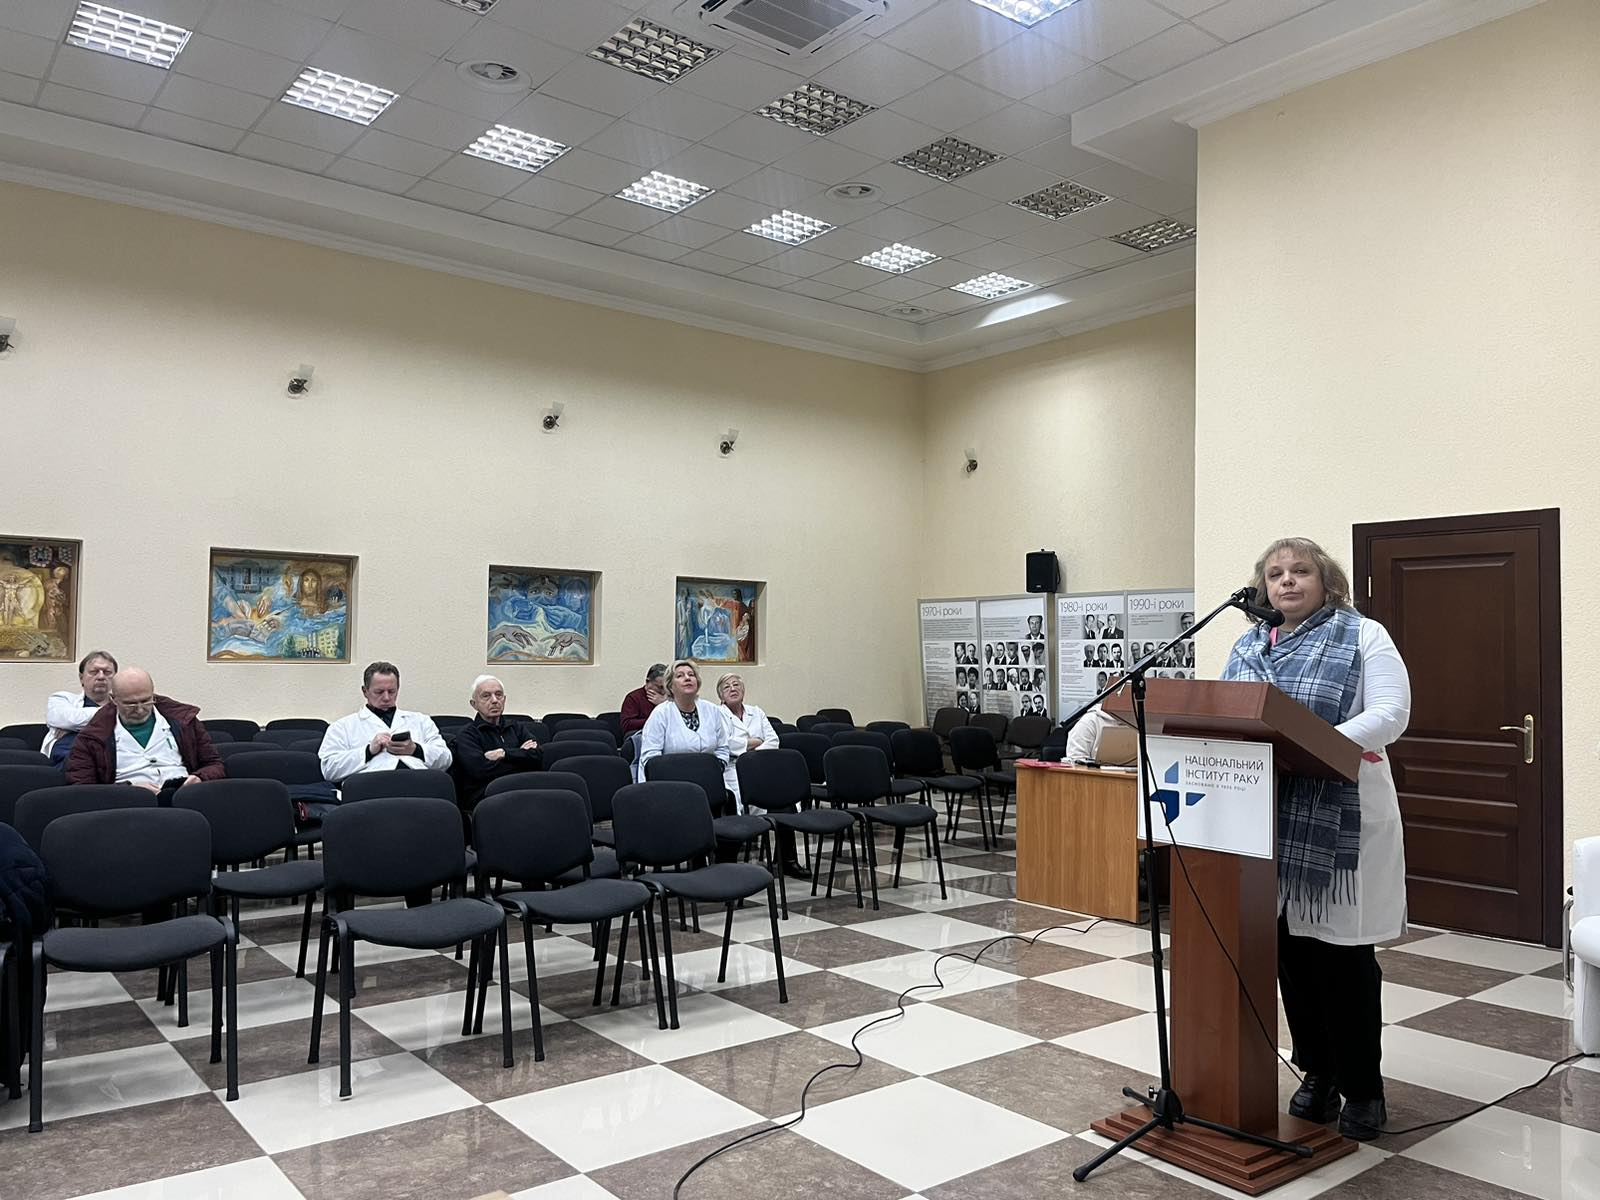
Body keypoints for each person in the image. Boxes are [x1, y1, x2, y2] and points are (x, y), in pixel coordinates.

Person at [1221, 537, 1410, 1142]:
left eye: (1300, 571)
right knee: (1290, 956)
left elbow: (1391, 712)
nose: (1287, 581)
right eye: (1275, 573)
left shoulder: (1363, 635)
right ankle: (1319, 1074)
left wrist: (1314, 744)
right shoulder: (1248, 646)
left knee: (1341, 959)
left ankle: (1364, 1088)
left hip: (1343, 817)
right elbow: (1226, 713)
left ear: (1326, 581)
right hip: (1267, 815)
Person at [64, 667, 223, 790]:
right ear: (113, 699)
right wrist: (127, 789)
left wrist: (200, 777)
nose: (140, 710)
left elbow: (214, 764)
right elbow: (83, 788)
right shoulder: (92, 736)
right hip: (128, 804)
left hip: (183, 794)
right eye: (130, 704)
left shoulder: (184, 721)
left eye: (146, 701)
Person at [319, 661, 452, 783]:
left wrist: (416, 750)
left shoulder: (421, 720)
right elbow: (329, 769)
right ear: (365, 691)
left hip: (419, 783)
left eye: (392, 691)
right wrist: (367, 751)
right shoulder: (342, 727)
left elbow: (446, 759)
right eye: (379, 692)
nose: (386, 698)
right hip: (371, 787)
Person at [452, 675, 542, 812]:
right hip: (487, 799)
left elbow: (538, 757)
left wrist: (503, 753)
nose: (494, 700)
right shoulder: (467, 734)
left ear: (504, 700)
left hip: (523, 791)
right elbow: (480, 770)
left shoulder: (516, 727)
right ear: (474, 704)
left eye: (498, 695)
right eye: (486, 696)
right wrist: (522, 756)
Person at [639, 659, 730, 772]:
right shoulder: (660, 713)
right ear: (670, 686)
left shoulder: (712, 710)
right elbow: (650, 757)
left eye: (691, 675)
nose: (687, 678)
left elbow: (722, 749)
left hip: (708, 775)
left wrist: (716, 768)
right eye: (680, 676)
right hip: (672, 778)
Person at [42, 649, 117, 764]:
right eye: (94, 672)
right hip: (66, 761)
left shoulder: (124, 704)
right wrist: (113, 716)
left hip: (108, 762)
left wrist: (78, 728)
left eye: (107, 672)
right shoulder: (62, 699)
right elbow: (66, 719)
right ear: (81, 678)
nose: (101, 677)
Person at [620, 663, 668, 736]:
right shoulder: (633, 698)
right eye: (660, 687)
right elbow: (627, 725)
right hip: (641, 735)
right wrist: (653, 720)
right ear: (648, 682)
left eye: (666, 687)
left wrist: (664, 704)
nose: (663, 691)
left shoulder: (670, 698)